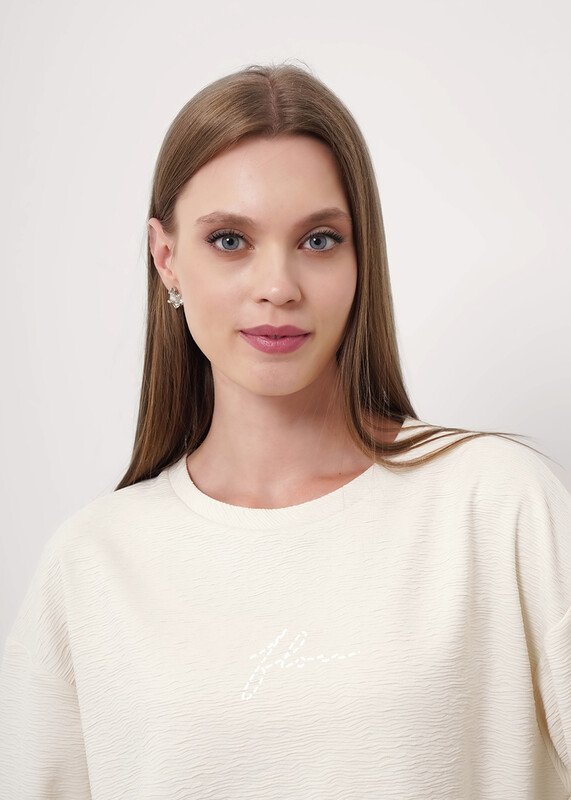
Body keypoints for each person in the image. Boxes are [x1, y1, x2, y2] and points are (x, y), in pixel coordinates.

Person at [0, 62, 570, 800]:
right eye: (229, 240)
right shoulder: (90, 565)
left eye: (319, 240)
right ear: (166, 258)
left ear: (362, 257)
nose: (278, 287)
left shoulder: (497, 507)